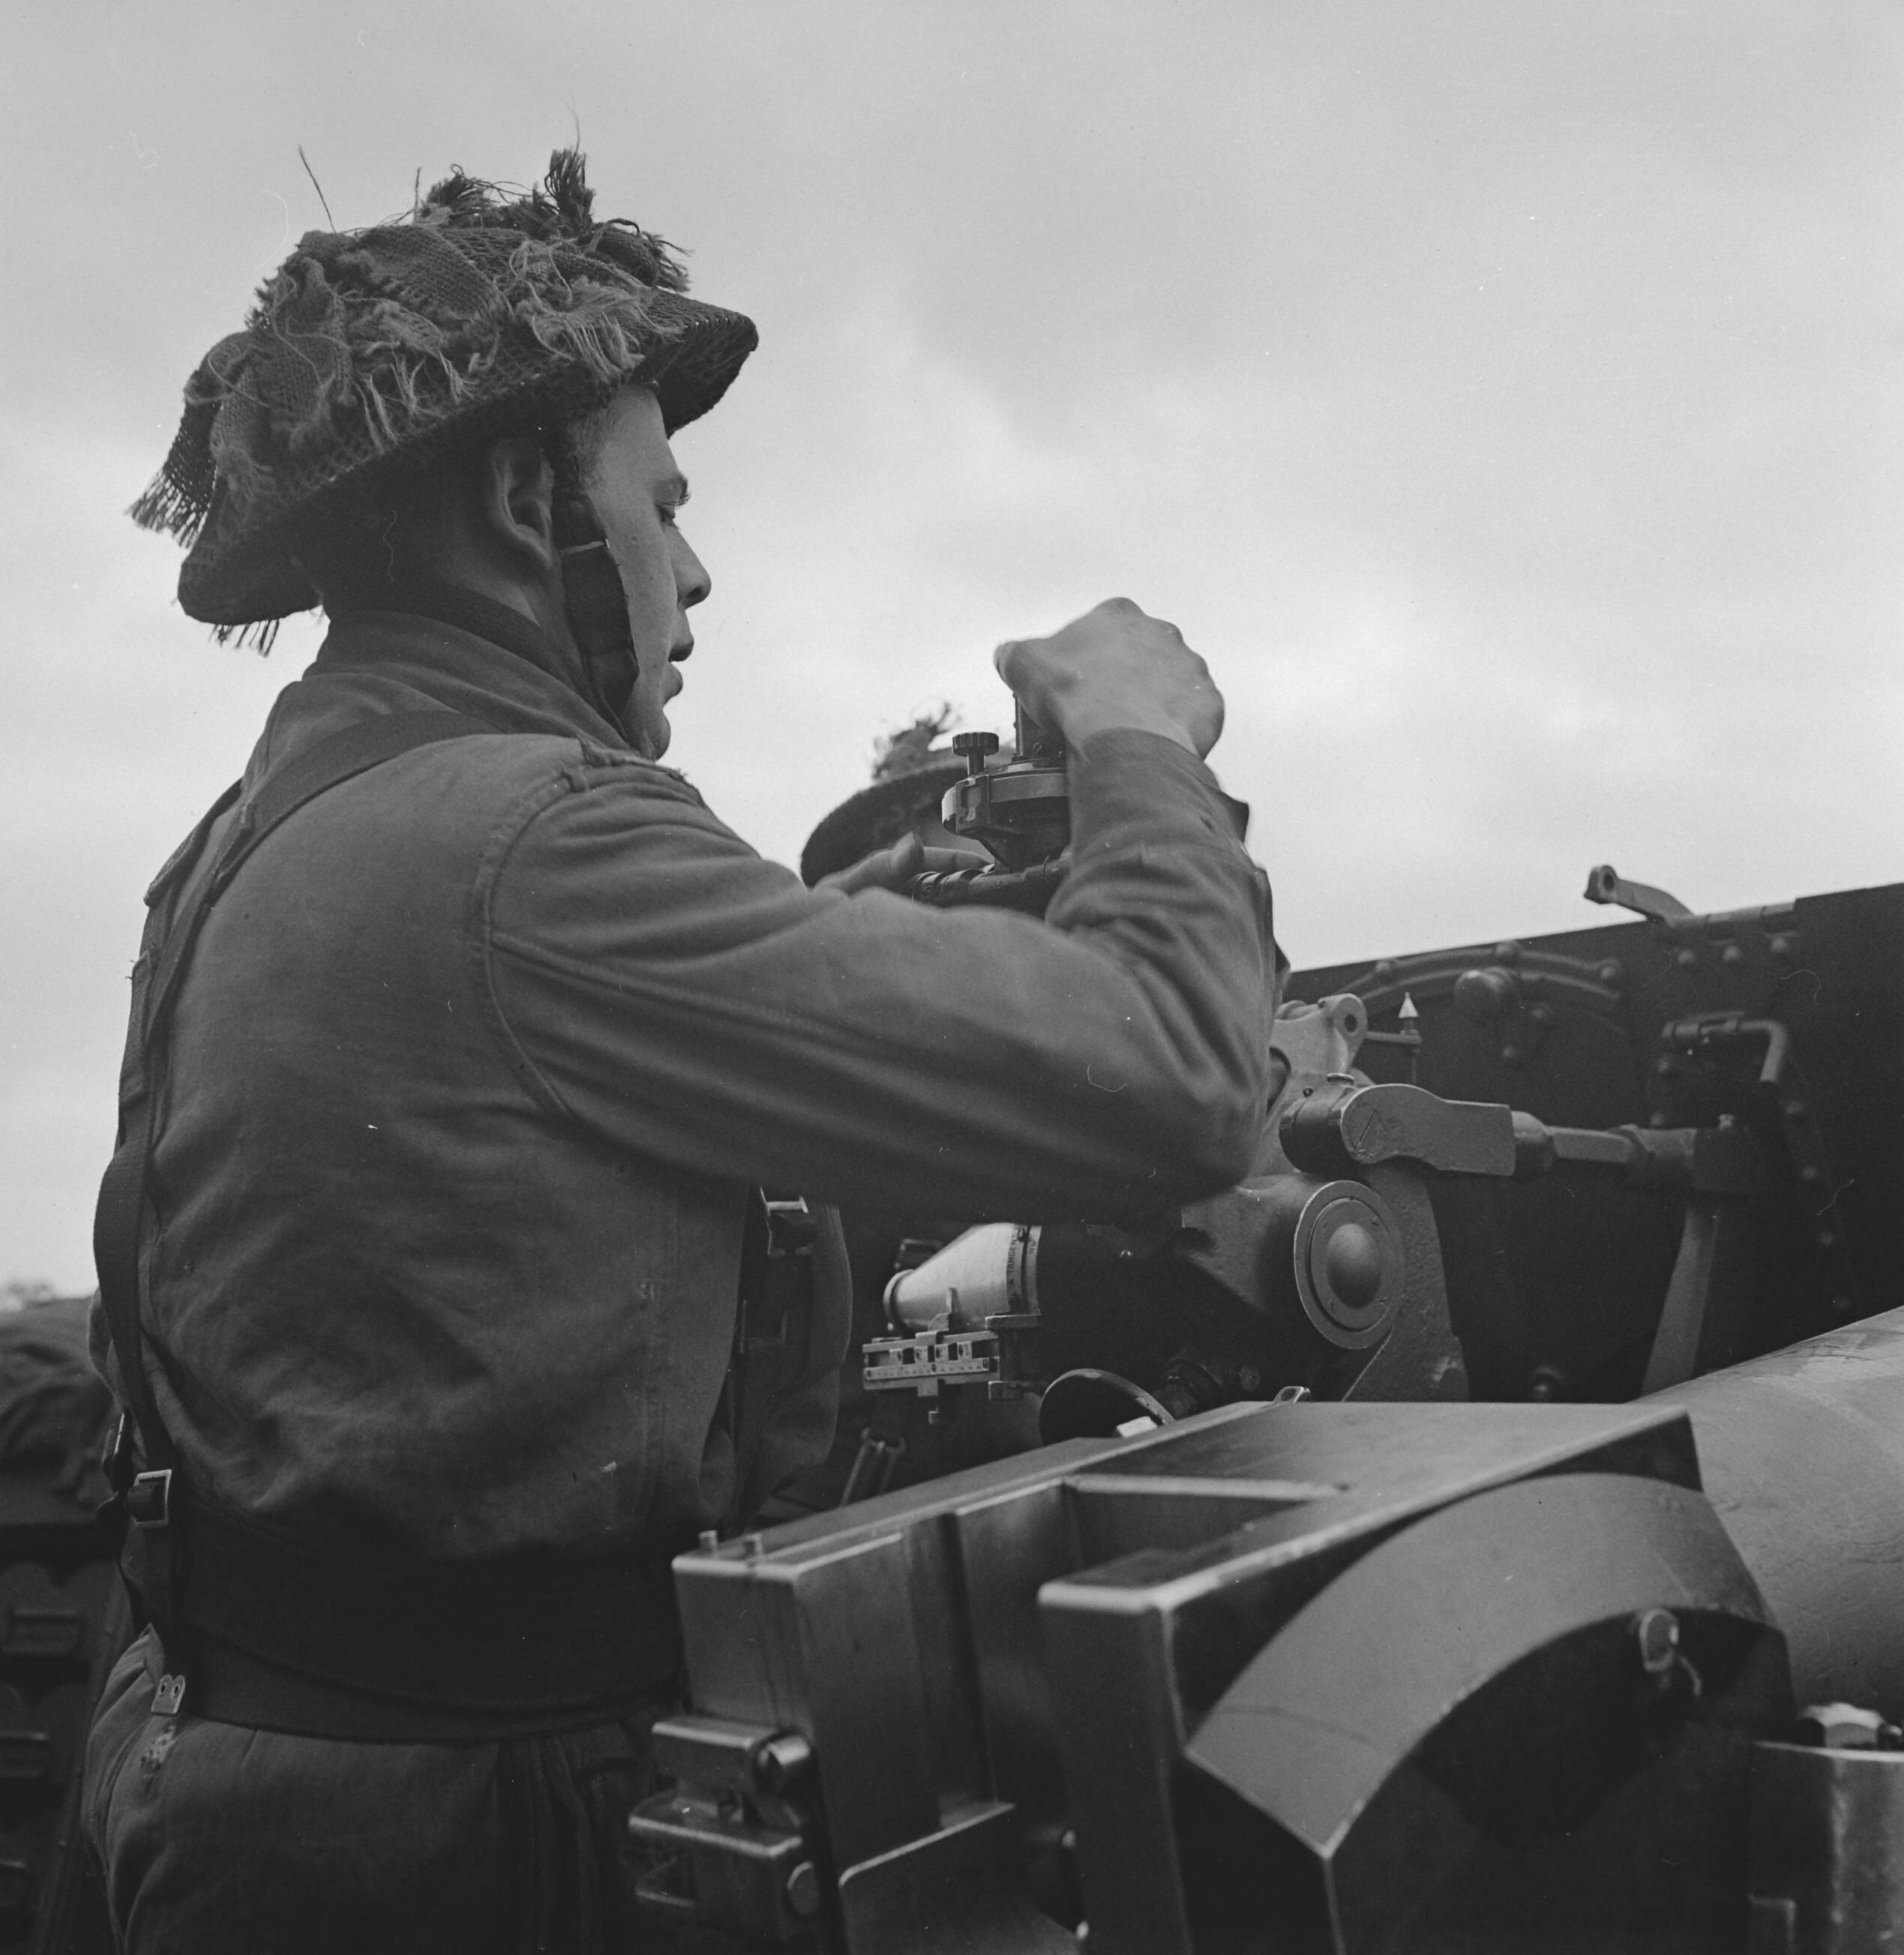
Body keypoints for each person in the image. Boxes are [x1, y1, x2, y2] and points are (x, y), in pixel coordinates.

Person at [81, 151, 1277, 1952]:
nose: (693, 571)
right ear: (521, 501)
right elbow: (1179, 1080)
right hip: (477, 1847)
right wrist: (1141, 744)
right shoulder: (541, 845)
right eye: (661, 499)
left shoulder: (271, 827)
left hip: (245, 1759)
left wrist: (863, 926)